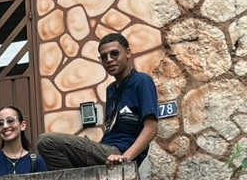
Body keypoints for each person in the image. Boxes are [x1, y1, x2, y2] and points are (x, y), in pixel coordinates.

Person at [37, 32, 159, 171]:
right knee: (47, 156)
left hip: (120, 153)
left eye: (114, 53)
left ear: (128, 53)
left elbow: (151, 128)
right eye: (104, 57)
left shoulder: (142, 81)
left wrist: (125, 158)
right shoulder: (111, 89)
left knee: (46, 142)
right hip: (106, 151)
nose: (109, 60)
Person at [0, 105, 48, 179]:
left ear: (23, 125)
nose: (5, 126)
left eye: (10, 121)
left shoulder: (37, 161)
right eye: (0, 123)